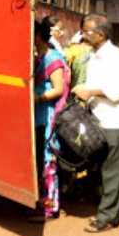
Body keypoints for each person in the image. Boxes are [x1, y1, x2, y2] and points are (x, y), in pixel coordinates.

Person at [73, 14, 119, 232]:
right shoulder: (93, 55)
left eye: (88, 30)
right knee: (101, 167)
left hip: (113, 120)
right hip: (96, 117)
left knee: (112, 170)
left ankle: (107, 217)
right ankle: (111, 210)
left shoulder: (116, 57)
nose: (84, 34)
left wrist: (90, 92)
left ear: (101, 33)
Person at [32, 18, 70, 222]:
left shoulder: (52, 58)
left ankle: (50, 209)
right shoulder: (41, 57)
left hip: (49, 117)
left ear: (38, 36)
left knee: (49, 163)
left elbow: (58, 89)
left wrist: (37, 98)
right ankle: (43, 202)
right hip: (40, 117)